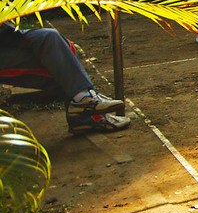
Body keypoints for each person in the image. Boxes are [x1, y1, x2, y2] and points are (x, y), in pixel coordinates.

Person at [0, 24, 130, 132]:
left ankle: (83, 107)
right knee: (58, 63)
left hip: (7, 35)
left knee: (52, 38)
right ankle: (85, 107)